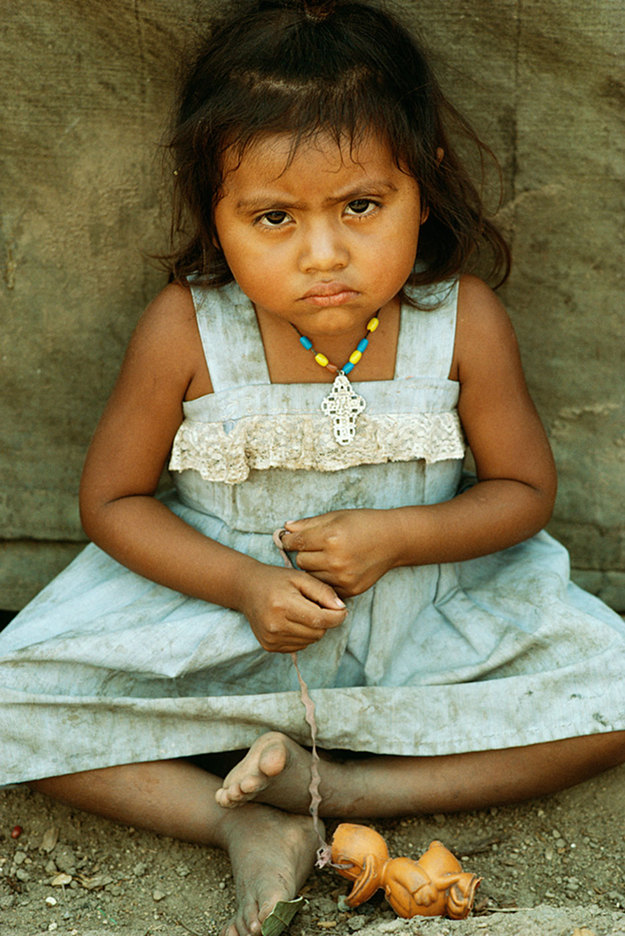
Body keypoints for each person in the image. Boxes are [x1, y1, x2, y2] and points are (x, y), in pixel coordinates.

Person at [1, 1, 624, 933]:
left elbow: (524, 491)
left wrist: (404, 535)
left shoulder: (462, 320)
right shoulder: (187, 327)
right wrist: (245, 585)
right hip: (217, 628)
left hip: (425, 623)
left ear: (426, 180)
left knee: (612, 703)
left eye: (361, 206)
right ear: (213, 208)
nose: (323, 253)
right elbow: (113, 500)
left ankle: (337, 791)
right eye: (272, 217)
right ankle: (243, 824)